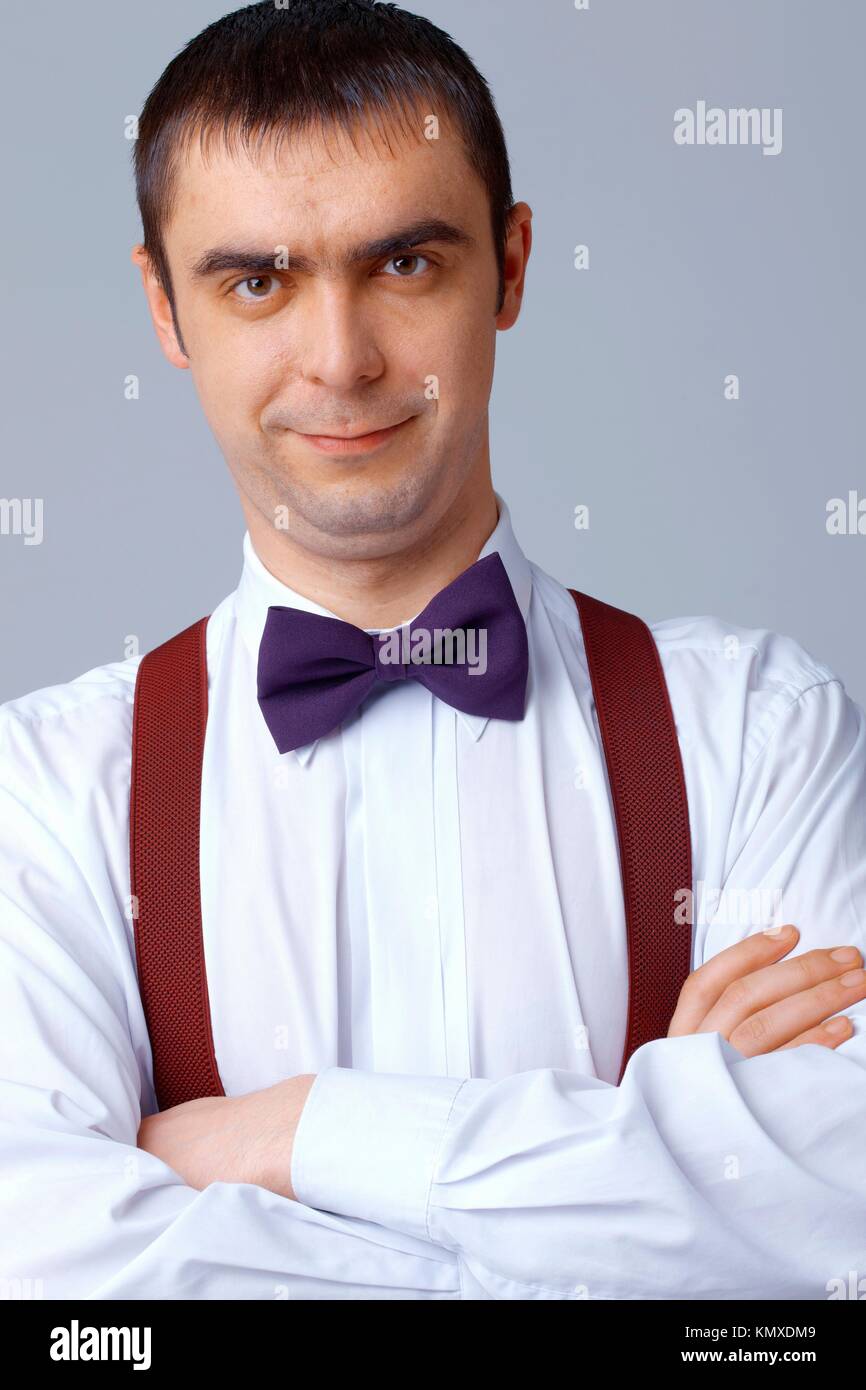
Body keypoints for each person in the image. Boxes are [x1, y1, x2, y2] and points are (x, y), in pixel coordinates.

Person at [1, 0, 864, 1301]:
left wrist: (288, 1135)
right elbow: (51, 1273)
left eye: (404, 264)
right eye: (257, 281)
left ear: (510, 268)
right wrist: (647, 1181)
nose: (341, 358)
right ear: (164, 310)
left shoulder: (754, 725)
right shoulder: (43, 791)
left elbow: (838, 1210)